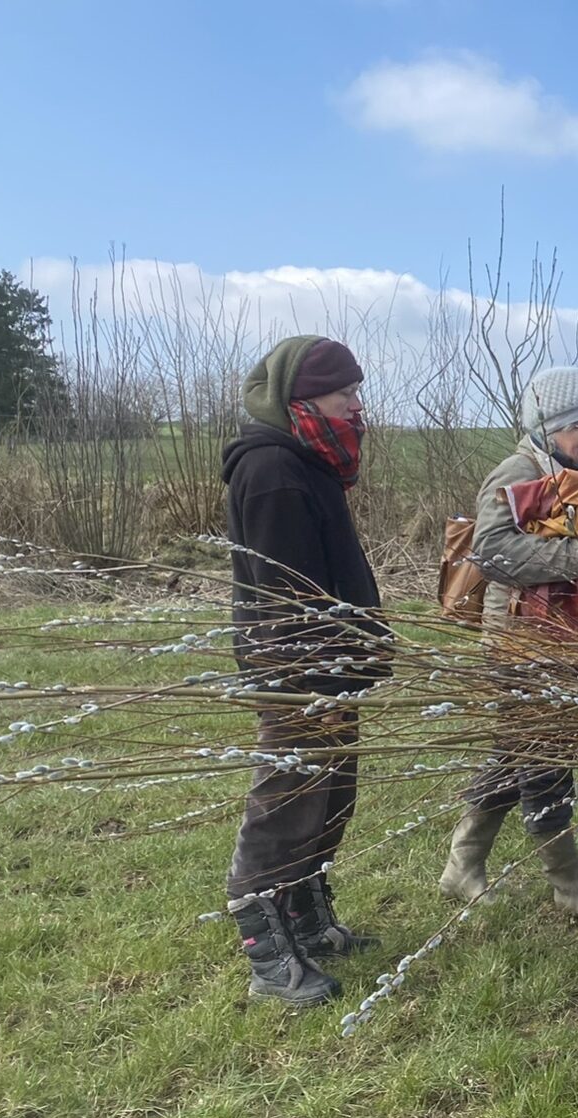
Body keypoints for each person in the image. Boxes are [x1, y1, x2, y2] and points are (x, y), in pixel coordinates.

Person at [222, 335, 391, 1008]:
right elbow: (285, 592)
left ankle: (308, 922)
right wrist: (318, 679)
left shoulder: (311, 461)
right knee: (287, 802)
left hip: (333, 666)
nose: (357, 405)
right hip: (298, 669)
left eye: (355, 391)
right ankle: (268, 957)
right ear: (302, 400)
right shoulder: (271, 470)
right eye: (344, 393)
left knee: (329, 798)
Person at [437, 365, 578, 918]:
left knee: (518, 749)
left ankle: (462, 862)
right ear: (547, 425)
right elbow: (489, 554)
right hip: (522, 643)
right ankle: (567, 885)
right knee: (545, 761)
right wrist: (577, 558)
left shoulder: (576, 477)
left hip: (566, 638)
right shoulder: (515, 472)